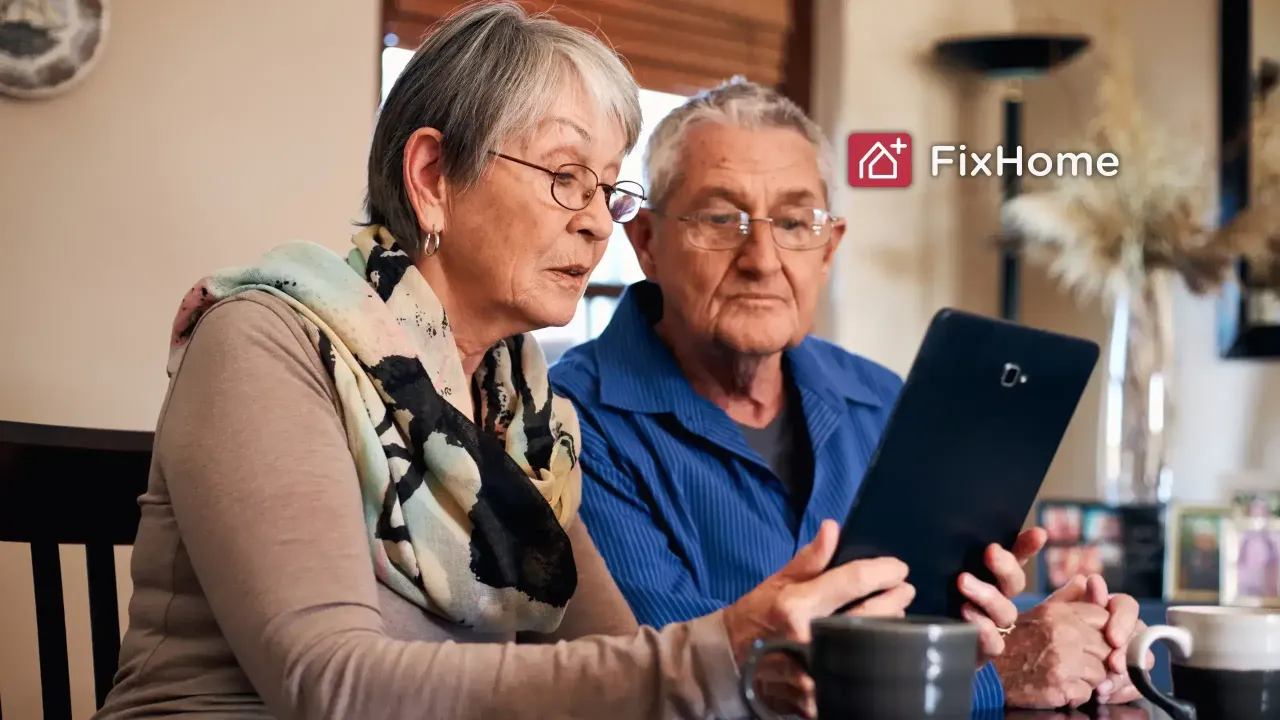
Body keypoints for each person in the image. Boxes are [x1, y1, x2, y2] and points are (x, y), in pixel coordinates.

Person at [90, 5, 926, 719]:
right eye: (566, 175)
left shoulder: (526, 417)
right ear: (432, 178)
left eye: (606, 188)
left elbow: (621, 661)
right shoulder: (268, 341)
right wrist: (716, 651)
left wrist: (758, 672)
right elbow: (329, 685)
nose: (596, 223)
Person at [550, 78, 1150, 715]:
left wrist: (1069, 644)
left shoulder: (882, 399)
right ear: (646, 242)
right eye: (722, 219)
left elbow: (940, 621)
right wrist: (995, 673)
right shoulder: (567, 421)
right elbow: (677, 686)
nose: (762, 259)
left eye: (794, 223)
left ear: (828, 248)